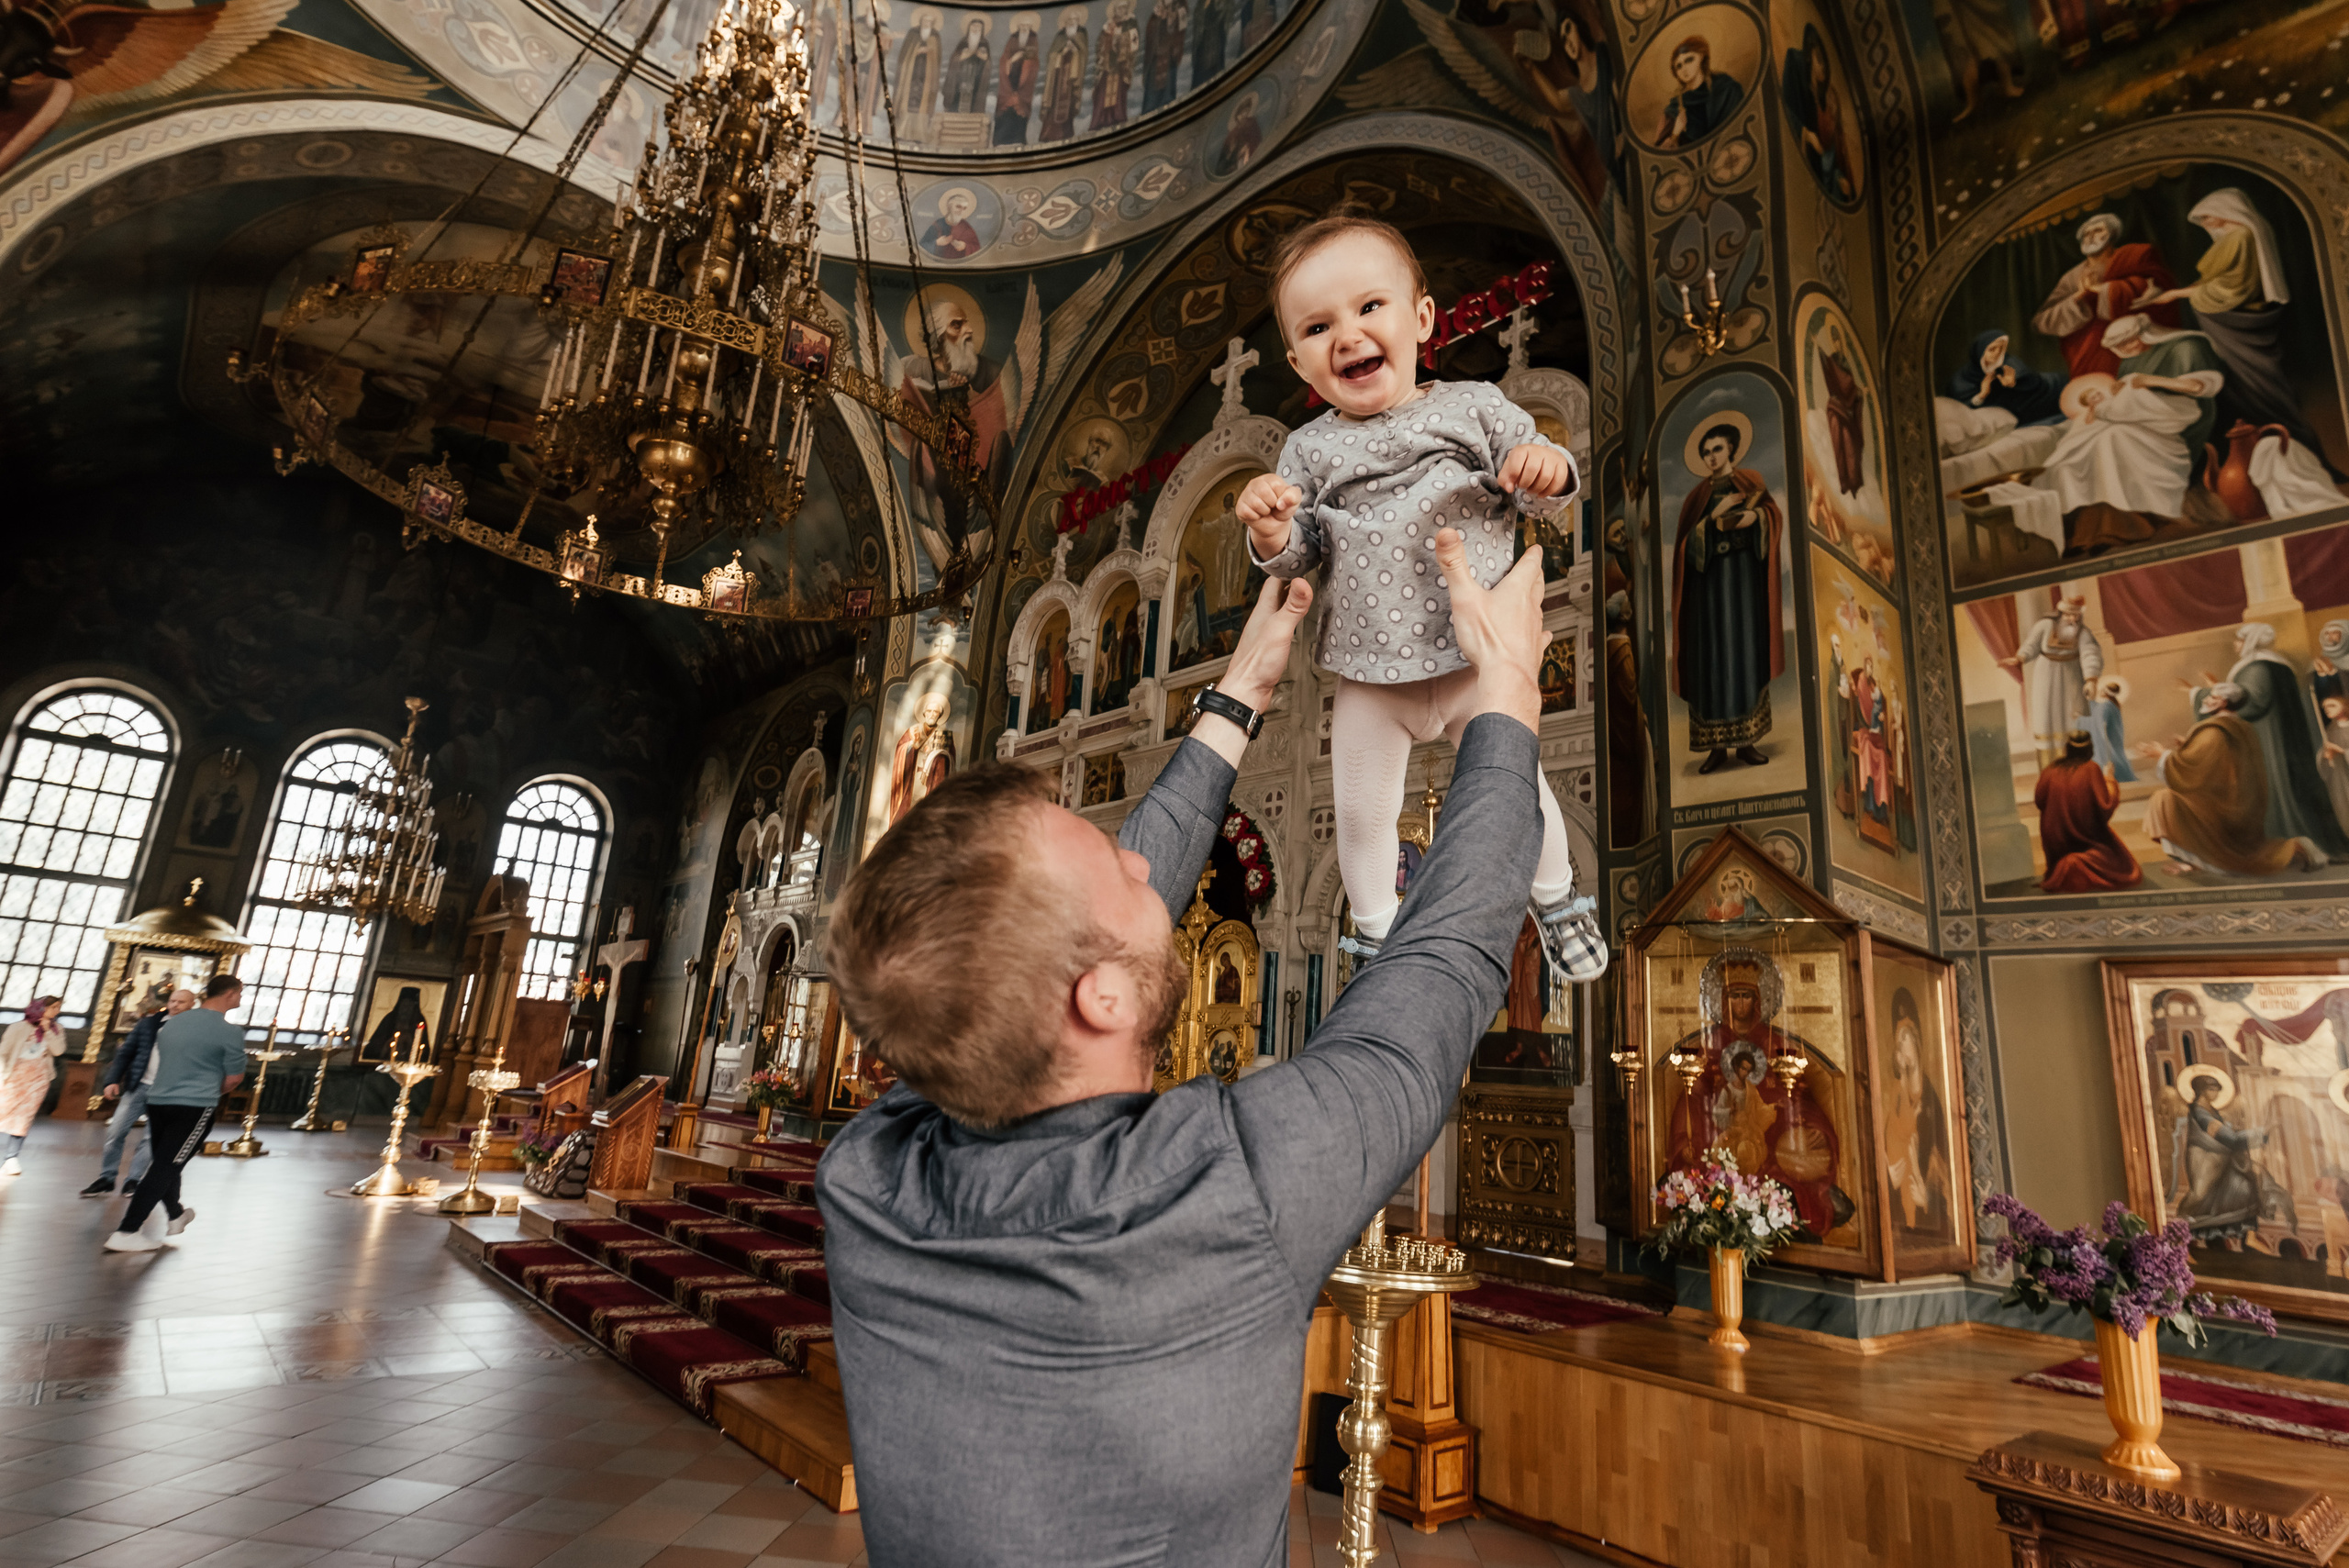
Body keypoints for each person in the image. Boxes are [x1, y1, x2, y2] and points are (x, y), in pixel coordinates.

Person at [818, 515, 1552, 1568]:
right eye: (1118, 871)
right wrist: (1508, 700)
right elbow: (1433, 980)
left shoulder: (866, 1171)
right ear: (1103, 998)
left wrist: (1234, 697)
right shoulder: (1224, 1191)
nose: (1147, 868)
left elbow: (1052, 942)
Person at [1235, 209, 1607, 983]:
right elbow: (1301, 553)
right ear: (1300, 364)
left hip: (1480, 662)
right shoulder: (1307, 448)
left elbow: (1542, 485)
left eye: (1370, 306)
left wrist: (1546, 467)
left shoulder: (1472, 407)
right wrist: (1271, 534)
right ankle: (1375, 935)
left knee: (1517, 787)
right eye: (1316, 326)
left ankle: (1560, 897)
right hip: (1371, 674)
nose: (1347, 334)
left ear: (1422, 318)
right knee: (1363, 813)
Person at [2142, 188, 2332, 463]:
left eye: (2207, 218)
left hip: (2238, 320)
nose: (2206, 224)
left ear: (2223, 212)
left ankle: (2290, 444)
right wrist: (2169, 294)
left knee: (2254, 379)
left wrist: (2175, 295)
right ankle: (2259, 448)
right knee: (2239, 381)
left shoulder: (2240, 236)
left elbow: (2232, 287)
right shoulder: (2236, 236)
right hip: (2229, 318)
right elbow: (2213, 281)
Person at [1670, 419, 1785, 774]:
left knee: (1744, 655)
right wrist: (1713, 518)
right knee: (1712, 661)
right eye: (1705, 453)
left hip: (1744, 588)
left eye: (1717, 449)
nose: (1711, 457)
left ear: (1731, 449)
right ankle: (1716, 748)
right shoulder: (1697, 497)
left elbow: (1772, 517)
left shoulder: (1750, 483)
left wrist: (1756, 517)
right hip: (1708, 594)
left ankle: (1747, 743)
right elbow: (1685, 549)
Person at [106, 973, 248, 1251]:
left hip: (157, 1102)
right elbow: (234, 1078)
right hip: (193, 1107)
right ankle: (127, 1231)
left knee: (167, 1161)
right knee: (165, 1166)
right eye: (240, 993)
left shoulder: (171, 1024)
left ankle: (175, 1215)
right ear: (230, 993)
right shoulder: (229, 1031)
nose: (241, 998)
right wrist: (207, 1091)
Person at [2137, 685, 2325, 877]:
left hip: (2222, 808)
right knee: (2168, 801)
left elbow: (2193, 766)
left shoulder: (2215, 732)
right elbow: (2220, 763)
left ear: (2224, 702)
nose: (2206, 700)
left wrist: (2162, 754)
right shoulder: (2239, 726)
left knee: (2163, 800)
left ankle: (2196, 862)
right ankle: (2194, 862)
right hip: (2237, 804)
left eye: (2212, 697)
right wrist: (2188, 745)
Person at [2207, 622, 2349, 857]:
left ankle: (2286, 844)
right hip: (2286, 739)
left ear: (2250, 641)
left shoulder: (2257, 668)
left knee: (2278, 790)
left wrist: (2218, 704)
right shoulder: (2278, 666)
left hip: (2269, 741)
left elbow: (2254, 704)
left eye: (2239, 639)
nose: (2235, 644)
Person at [2028, 214, 2180, 379]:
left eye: (2098, 230)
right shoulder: (2071, 277)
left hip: (2130, 340)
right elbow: (2042, 321)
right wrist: (2078, 297)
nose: (2091, 236)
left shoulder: (2134, 256)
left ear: (2112, 234)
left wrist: (2102, 289)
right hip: (2088, 350)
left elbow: (2157, 288)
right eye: (2086, 233)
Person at [83, 986, 195, 1197]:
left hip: (168, 1092)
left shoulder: (194, 1030)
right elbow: (126, 1053)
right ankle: (107, 1177)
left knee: (151, 1139)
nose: (175, 1005)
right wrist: (112, 1080)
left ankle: (133, 1180)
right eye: (172, 1001)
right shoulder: (149, 1023)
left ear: (192, 1005)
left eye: (181, 1002)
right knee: (115, 1132)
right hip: (139, 1086)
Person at [1999, 596, 2102, 770]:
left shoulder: (2083, 633)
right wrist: (2019, 658)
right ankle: (2050, 769)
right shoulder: (2044, 626)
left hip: (2072, 679)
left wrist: (2091, 680)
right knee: (2046, 719)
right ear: (2061, 612)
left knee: (2071, 721)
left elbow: (2090, 654)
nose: (2072, 619)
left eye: (2076, 616)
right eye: (2069, 615)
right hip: (2045, 678)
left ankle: (2073, 769)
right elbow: (2031, 645)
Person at [2033, 729, 2140, 891]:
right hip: (2086, 842)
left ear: (2067, 748)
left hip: (2056, 845)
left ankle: (2062, 868)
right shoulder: (2091, 769)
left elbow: (2039, 801)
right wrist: (2109, 779)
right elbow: (2106, 806)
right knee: (2127, 870)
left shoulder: (2050, 770)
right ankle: (2075, 864)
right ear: (2090, 749)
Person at [0, 996, 65, 1175]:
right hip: (13, 1076)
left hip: (38, 1079)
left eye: (58, 1007)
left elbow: (58, 1051)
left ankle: (11, 1159)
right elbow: (3, 1053)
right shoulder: (18, 1027)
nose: (57, 1011)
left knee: (24, 1119)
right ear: (41, 1008)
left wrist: (48, 1031)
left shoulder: (56, 1029)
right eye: (53, 1007)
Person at [1948, 329, 2065, 426]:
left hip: (2048, 390)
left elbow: (2038, 383)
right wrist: (1982, 395)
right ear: (1979, 352)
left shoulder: (2009, 361)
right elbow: (1962, 410)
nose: (1998, 352)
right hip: (2015, 409)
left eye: (2001, 348)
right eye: (1992, 349)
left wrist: (2015, 384)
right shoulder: (1962, 380)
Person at [1654, 33, 1742, 150]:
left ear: (1701, 56)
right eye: (1679, 66)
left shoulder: (1726, 88)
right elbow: (1662, 154)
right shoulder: (1674, 109)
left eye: (1689, 60)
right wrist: (1676, 133)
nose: (1684, 69)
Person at [994, 12, 1040, 144]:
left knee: (1020, 111)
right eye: (1022, 25)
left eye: (1027, 25)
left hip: (1024, 83)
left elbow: (1034, 60)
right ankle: (1000, 140)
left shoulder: (1033, 39)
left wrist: (1026, 61)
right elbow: (1004, 59)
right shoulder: (1013, 39)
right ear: (1018, 26)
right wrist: (1012, 60)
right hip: (1009, 82)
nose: (1025, 27)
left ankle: (1018, 139)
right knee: (1005, 110)